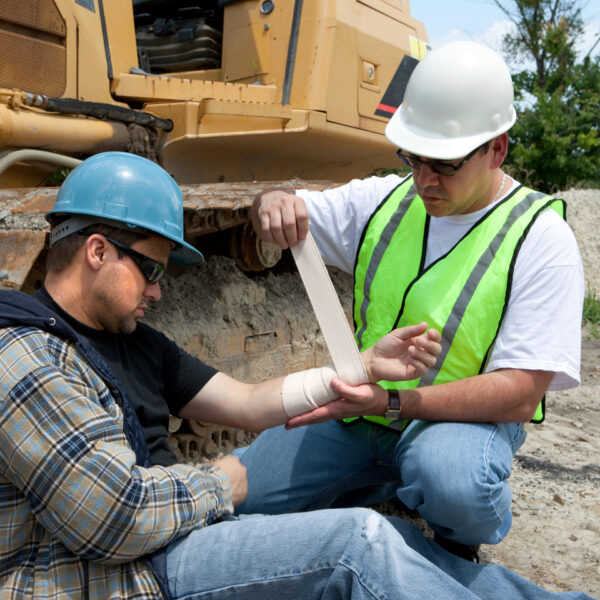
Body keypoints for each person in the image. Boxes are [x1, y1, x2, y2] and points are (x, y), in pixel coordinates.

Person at [1, 152, 593, 600]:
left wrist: (359, 368)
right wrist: (223, 483)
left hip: (169, 530)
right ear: (98, 251)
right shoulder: (26, 358)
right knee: (357, 543)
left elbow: (248, 400)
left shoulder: (136, 342)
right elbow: (115, 519)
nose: (158, 290)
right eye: (152, 270)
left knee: (404, 545)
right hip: (131, 568)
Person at [235, 40, 585, 562]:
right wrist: (272, 203)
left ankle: (453, 535)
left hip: (456, 428)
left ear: (497, 149)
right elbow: (285, 208)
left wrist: (395, 402)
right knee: (245, 498)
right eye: (413, 158)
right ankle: (385, 484)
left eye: (444, 164)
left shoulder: (541, 238)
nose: (424, 179)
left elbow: (519, 392)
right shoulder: (388, 199)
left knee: (453, 483)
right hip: (362, 416)